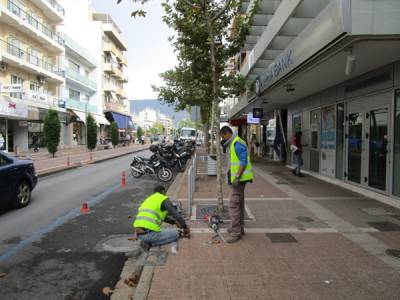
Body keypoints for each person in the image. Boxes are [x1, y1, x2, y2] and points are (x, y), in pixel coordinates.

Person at [220, 126, 254, 243]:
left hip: (239, 179)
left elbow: (243, 162)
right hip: (238, 179)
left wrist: (237, 176)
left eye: (223, 136)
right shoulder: (234, 142)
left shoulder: (237, 143)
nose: (223, 139)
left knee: (233, 204)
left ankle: (236, 232)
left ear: (228, 133)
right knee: (239, 203)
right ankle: (239, 228)